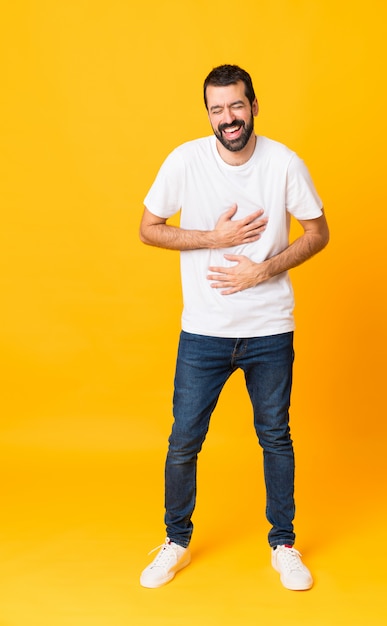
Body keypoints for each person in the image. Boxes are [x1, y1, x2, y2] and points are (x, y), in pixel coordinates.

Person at [139, 64, 329, 591]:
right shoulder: (185, 160)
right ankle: (175, 540)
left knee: (275, 436)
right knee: (184, 440)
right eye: (218, 109)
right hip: (203, 331)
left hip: (269, 329)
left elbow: (318, 233)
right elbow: (148, 229)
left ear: (254, 106)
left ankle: (284, 543)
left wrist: (263, 270)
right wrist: (211, 239)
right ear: (209, 114)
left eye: (237, 106)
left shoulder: (284, 163)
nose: (228, 118)